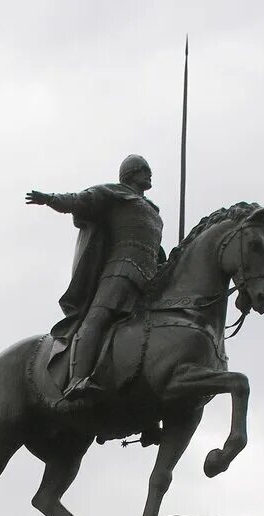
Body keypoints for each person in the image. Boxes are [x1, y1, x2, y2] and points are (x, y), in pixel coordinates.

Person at [26, 155, 164, 399]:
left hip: (149, 278)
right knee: (96, 319)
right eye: (145, 170)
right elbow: (80, 200)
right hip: (120, 271)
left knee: (154, 334)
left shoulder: (152, 211)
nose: (150, 174)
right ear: (131, 173)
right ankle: (77, 379)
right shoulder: (115, 194)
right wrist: (50, 199)